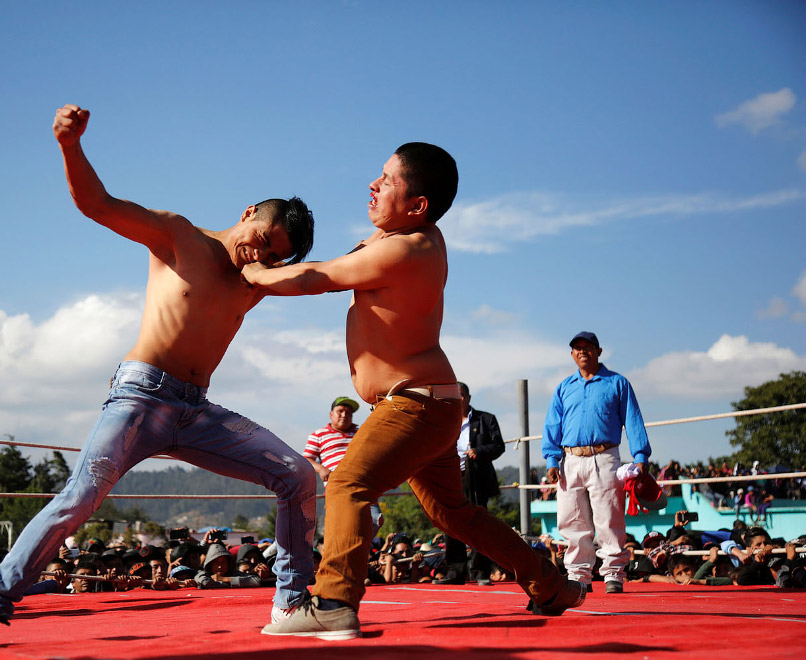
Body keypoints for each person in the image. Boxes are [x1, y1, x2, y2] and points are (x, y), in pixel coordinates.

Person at [0, 104, 318, 647]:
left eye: (273, 255)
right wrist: (69, 145)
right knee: (80, 498)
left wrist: (377, 252)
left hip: (197, 412)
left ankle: (291, 603)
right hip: (140, 397)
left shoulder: (256, 280)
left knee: (298, 474)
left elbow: (323, 279)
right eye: (263, 238)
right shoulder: (179, 236)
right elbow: (96, 205)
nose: (258, 253)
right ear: (249, 212)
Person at [247, 142, 584, 640]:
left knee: (346, 484)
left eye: (387, 180)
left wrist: (252, 271)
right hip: (431, 402)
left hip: (416, 402)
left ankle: (334, 602)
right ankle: (551, 584)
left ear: (418, 206)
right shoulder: (401, 239)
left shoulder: (409, 247)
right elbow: (334, 264)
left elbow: (318, 277)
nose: (372, 185)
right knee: (454, 513)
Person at [542, 331, 652, 595]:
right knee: (572, 519)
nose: (582, 352)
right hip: (570, 459)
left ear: (599, 351)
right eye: (577, 348)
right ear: (572, 355)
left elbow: (633, 419)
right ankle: (579, 574)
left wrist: (640, 457)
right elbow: (552, 425)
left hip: (605, 456)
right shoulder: (564, 387)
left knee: (609, 516)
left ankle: (613, 573)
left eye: (587, 347)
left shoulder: (617, 383)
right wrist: (551, 459)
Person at [442, 381, 506, 583]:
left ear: (468, 398)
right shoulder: (444, 421)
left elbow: (498, 446)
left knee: (478, 523)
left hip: (476, 478)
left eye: (460, 395)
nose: (457, 399)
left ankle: (480, 571)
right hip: (451, 477)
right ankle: (455, 571)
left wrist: (479, 452)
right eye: (453, 395)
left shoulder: (485, 419)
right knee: (451, 523)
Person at [303, 396, 383, 534]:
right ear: (331, 414)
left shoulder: (361, 433)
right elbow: (306, 460)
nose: (344, 415)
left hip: (364, 484)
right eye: (340, 411)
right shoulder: (319, 434)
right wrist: (322, 469)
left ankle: (362, 551)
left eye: (349, 413)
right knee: (344, 526)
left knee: (375, 519)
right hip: (338, 485)